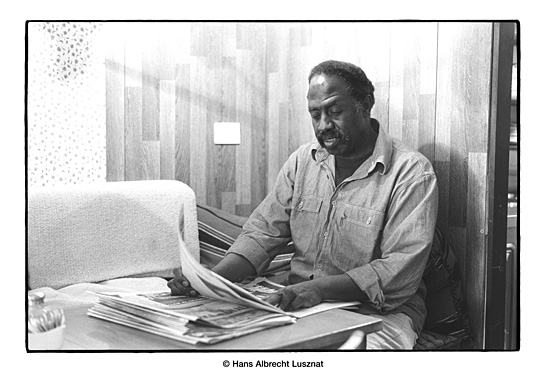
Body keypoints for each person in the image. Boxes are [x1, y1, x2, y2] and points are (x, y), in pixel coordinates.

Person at [168, 60, 438, 350]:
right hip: (299, 303)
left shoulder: (411, 173)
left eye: (335, 112)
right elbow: (261, 235)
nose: (324, 126)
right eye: (315, 114)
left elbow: (399, 272)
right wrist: (210, 280)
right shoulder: (303, 161)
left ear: (366, 104)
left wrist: (319, 290)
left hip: (379, 314)